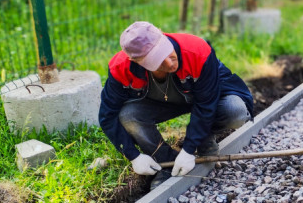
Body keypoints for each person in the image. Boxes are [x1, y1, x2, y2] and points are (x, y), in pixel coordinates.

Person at [99, 21, 253, 188]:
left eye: (167, 52)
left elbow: (207, 103)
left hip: (204, 98)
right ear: (137, 62)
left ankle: (205, 137)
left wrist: (189, 149)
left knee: (234, 110)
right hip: (161, 102)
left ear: (162, 34)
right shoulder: (121, 68)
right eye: (157, 61)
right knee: (128, 116)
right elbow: (108, 115)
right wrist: (133, 156)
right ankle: (167, 161)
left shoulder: (197, 51)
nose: (170, 63)